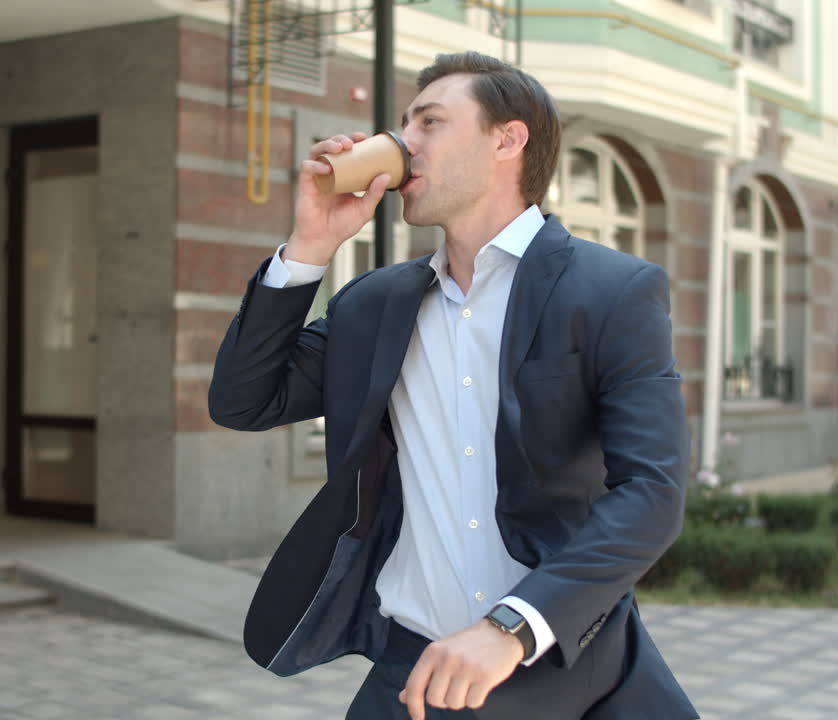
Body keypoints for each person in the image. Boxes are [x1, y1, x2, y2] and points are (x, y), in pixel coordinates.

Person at [209, 51, 696, 720]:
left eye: (430, 122)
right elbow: (244, 399)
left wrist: (512, 627)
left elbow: (653, 493)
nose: (405, 142)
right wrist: (310, 246)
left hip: (545, 664)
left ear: (507, 139)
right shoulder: (375, 304)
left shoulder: (611, 292)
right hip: (405, 668)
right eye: (405, 123)